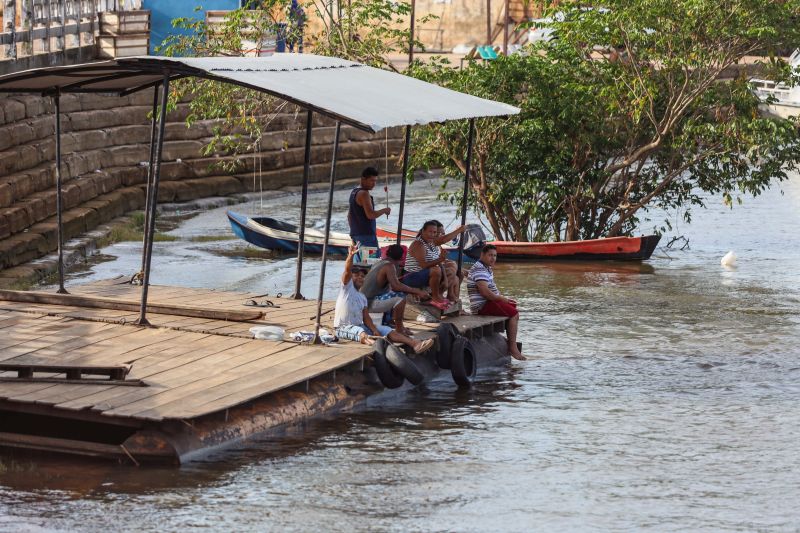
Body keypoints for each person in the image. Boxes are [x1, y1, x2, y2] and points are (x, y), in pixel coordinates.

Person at [335, 244, 434, 353]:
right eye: (356, 275)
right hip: (344, 327)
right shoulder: (346, 289)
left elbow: (366, 317)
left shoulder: (362, 297)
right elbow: (347, 271)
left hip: (361, 324)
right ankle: (381, 346)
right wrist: (350, 256)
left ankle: (415, 344)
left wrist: (374, 330)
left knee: (386, 330)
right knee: (361, 332)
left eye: (362, 276)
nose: (360, 277)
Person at [466, 244, 528, 360]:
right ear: (482, 255)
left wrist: (504, 299)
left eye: (495, 256)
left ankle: (509, 339)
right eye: (490, 255)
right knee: (514, 314)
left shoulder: (485, 267)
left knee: (512, 305)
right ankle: (513, 348)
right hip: (482, 306)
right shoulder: (479, 268)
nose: (493, 258)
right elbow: (485, 292)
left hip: (488, 302)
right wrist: (501, 298)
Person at [361, 244, 429, 335]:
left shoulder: (379, 263)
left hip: (364, 302)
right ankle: (399, 329)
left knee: (395, 294)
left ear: (388, 253)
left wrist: (411, 291)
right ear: (401, 257)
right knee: (400, 297)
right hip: (369, 304)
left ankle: (391, 322)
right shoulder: (389, 266)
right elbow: (396, 286)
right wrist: (416, 291)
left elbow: (392, 287)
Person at [403, 220, 449, 308]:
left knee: (448, 271)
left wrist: (445, 278)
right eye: (430, 232)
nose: (432, 234)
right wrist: (441, 259)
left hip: (422, 274)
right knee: (436, 270)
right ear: (423, 231)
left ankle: (439, 296)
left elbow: (438, 262)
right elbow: (423, 265)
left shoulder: (431, 243)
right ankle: (435, 298)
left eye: (434, 232)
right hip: (411, 276)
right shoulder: (418, 244)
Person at [348, 167, 390, 248]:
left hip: (355, 235)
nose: (374, 184)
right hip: (366, 237)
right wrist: (385, 210)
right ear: (363, 179)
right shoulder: (364, 194)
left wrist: (354, 232)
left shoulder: (353, 192)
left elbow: (349, 216)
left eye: (375, 181)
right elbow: (370, 215)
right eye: (372, 180)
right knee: (370, 260)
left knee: (359, 261)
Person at [434, 221, 467, 300]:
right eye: (439, 233)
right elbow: (443, 240)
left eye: (443, 233)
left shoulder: (438, 247)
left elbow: (442, 261)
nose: (442, 236)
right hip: (433, 271)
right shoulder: (430, 242)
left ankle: (454, 301)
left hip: (438, 268)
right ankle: (440, 294)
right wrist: (459, 230)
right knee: (453, 267)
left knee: (460, 274)